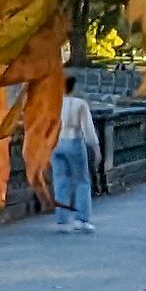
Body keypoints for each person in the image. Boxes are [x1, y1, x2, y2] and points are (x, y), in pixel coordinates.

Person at [44, 70, 100, 231]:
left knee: (60, 181)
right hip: (74, 140)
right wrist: (95, 148)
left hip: (56, 142)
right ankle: (81, 219)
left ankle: (62, 219)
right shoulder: (80, 103)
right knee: (82, 181)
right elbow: (88, 128)